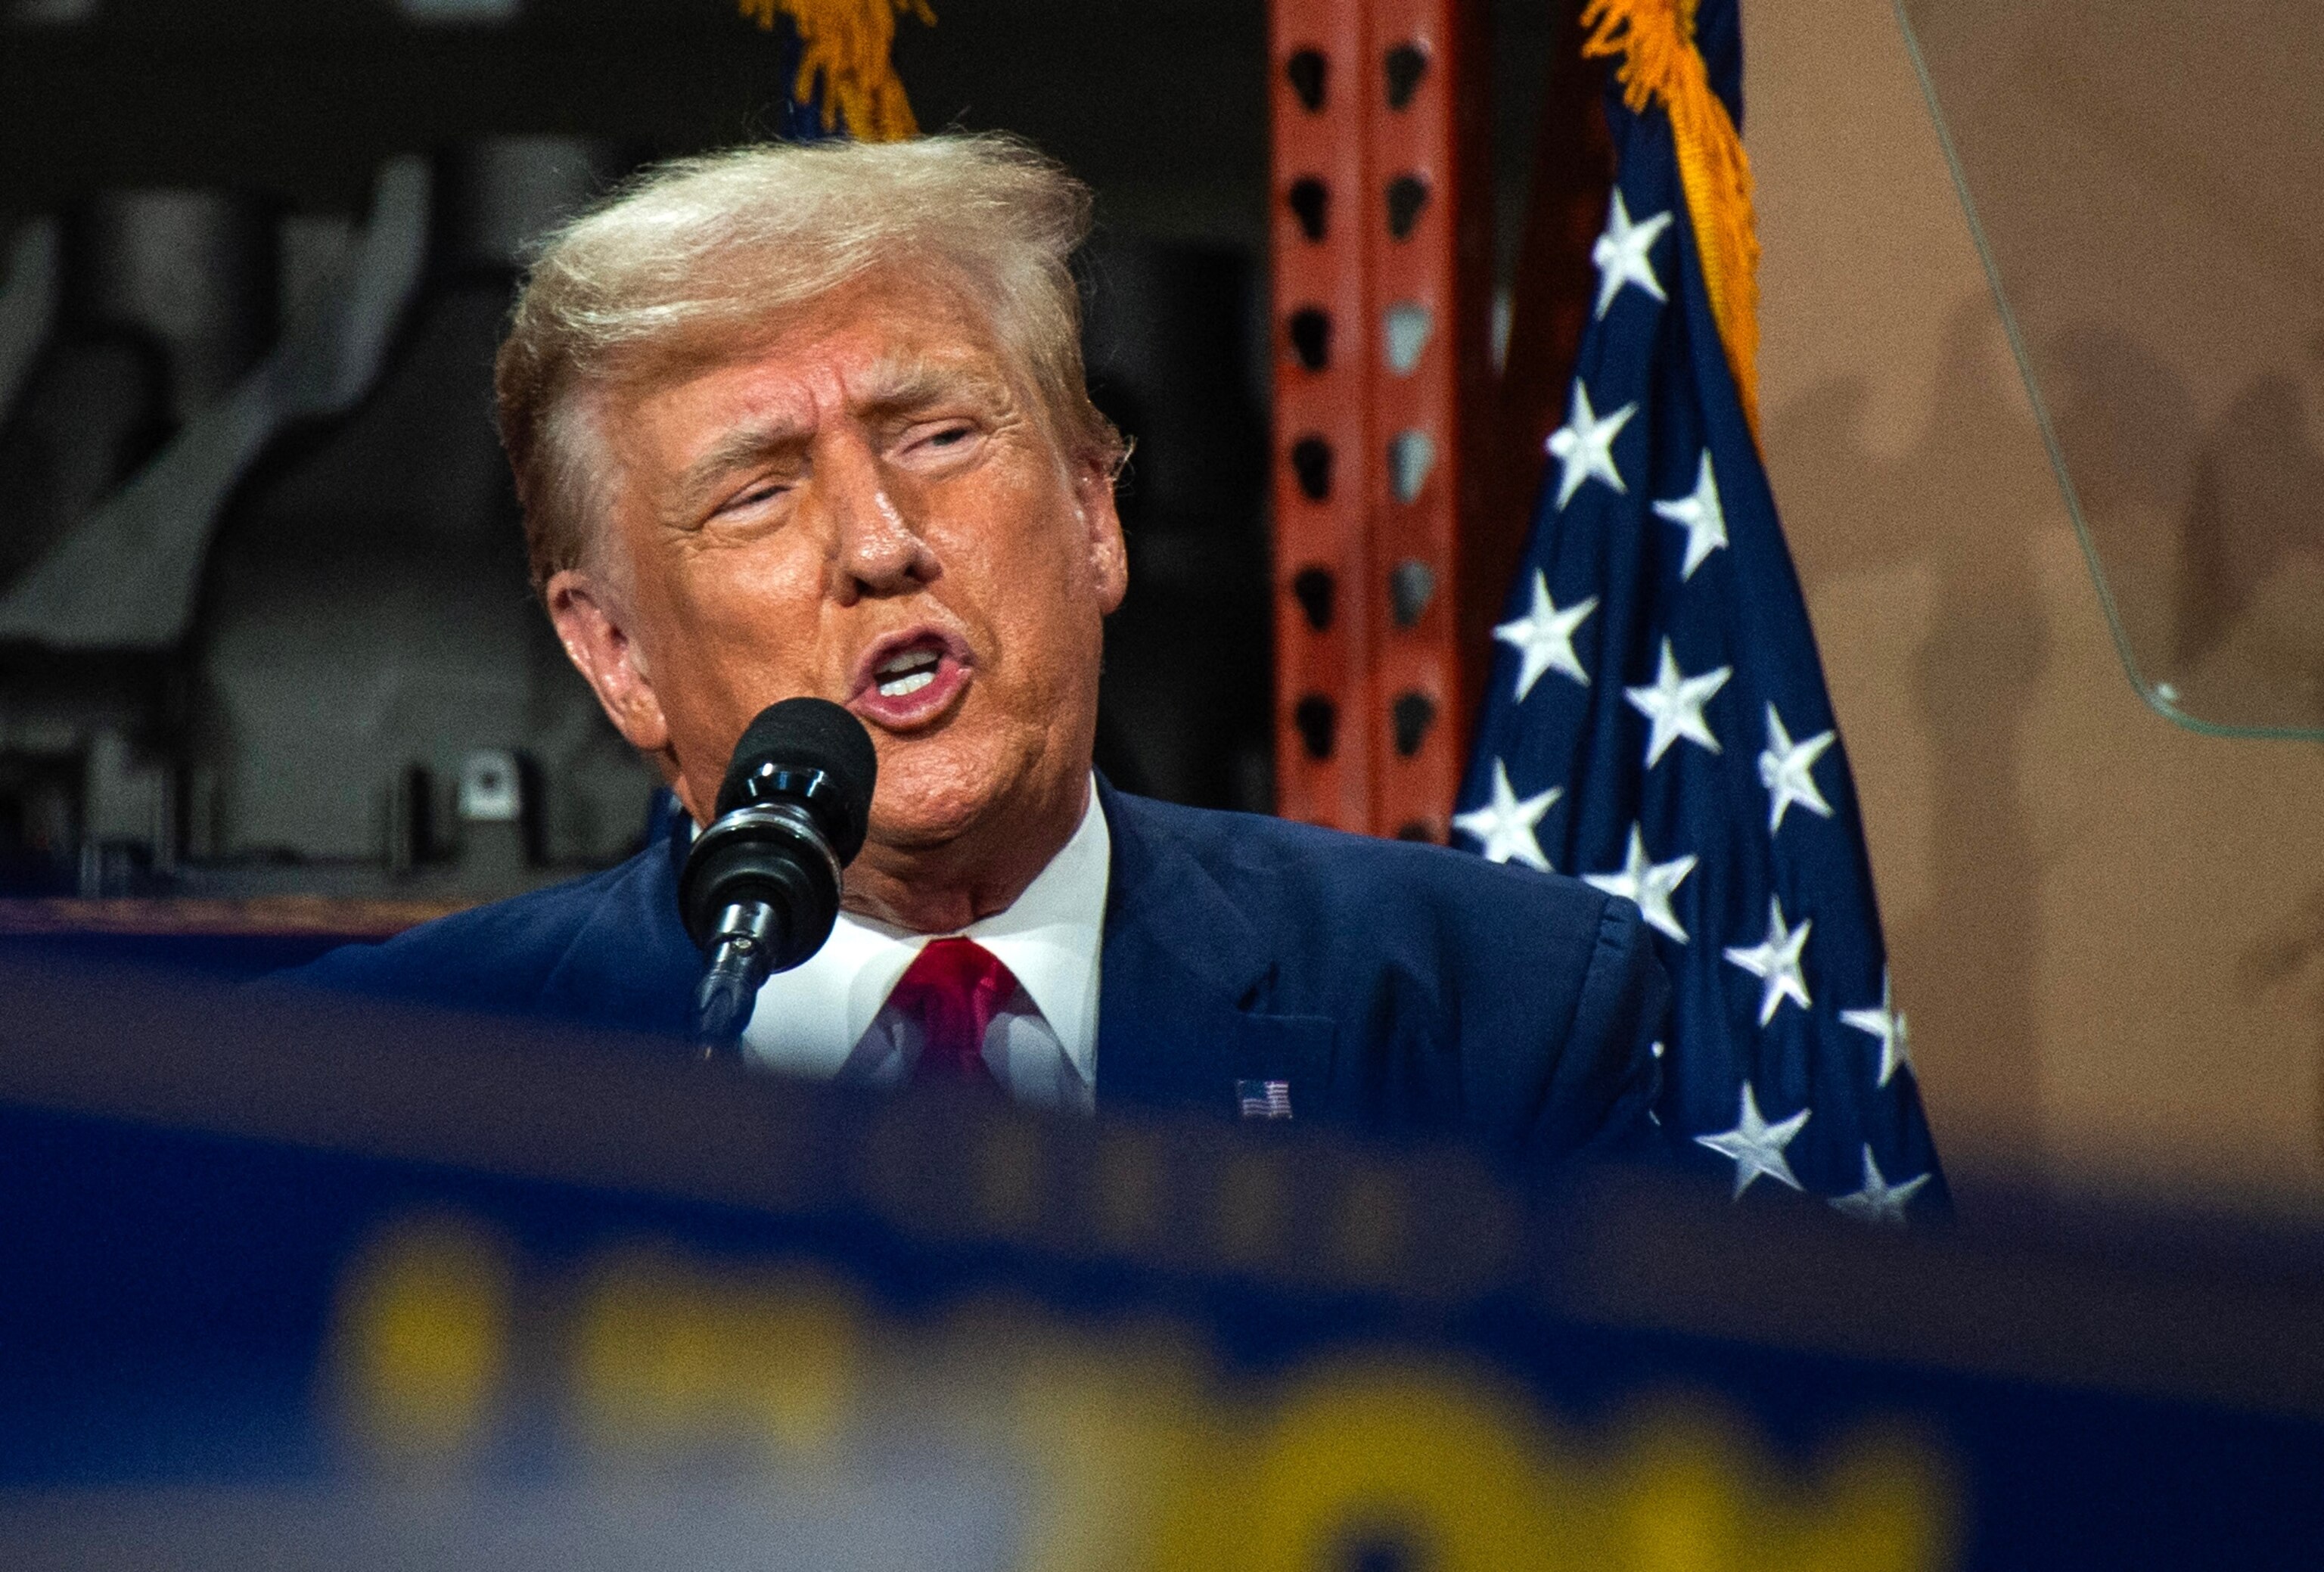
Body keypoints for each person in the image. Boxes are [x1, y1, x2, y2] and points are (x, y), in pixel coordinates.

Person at [289, 133, 1667, 1167]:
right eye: (757, 490)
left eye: (940, 437)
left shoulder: (1493, 1014)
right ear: (615, 656)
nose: (881, 541)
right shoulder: (379, 1082)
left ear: (1092, 511)